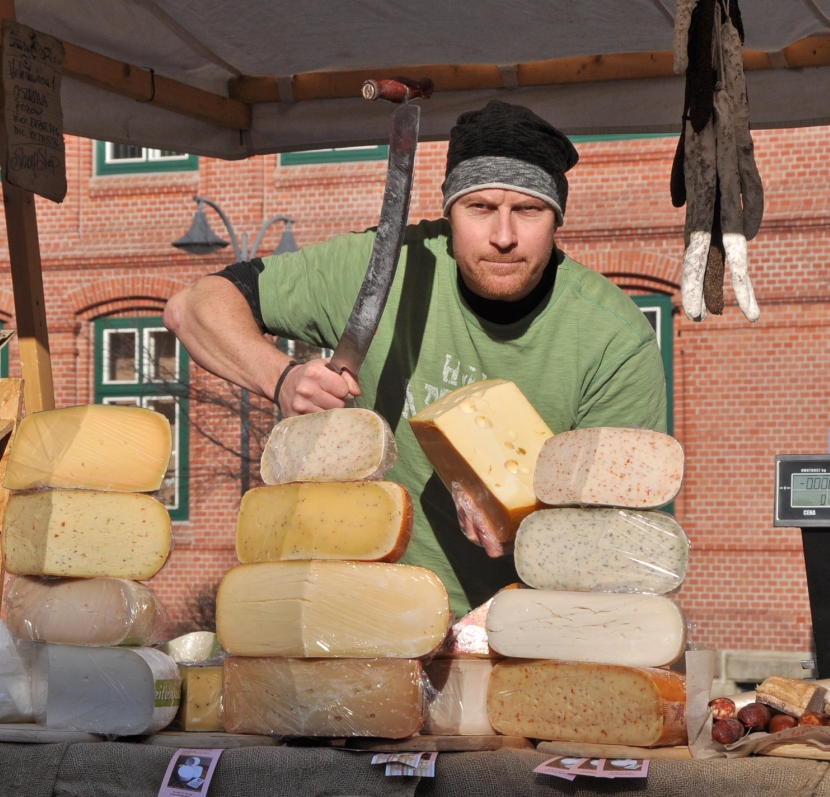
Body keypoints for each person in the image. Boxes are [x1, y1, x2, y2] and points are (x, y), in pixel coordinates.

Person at [165, 101, 666, 615]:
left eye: (528, 210)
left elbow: (629, 538)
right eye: (480, 208)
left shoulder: (613, 338)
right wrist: (282, 377)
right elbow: (192, 308)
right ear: (449, 212)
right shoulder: (383, 269)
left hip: (529, 627)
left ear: (556, 218)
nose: (503, 236)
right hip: (364, 613)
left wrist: (534, 530)